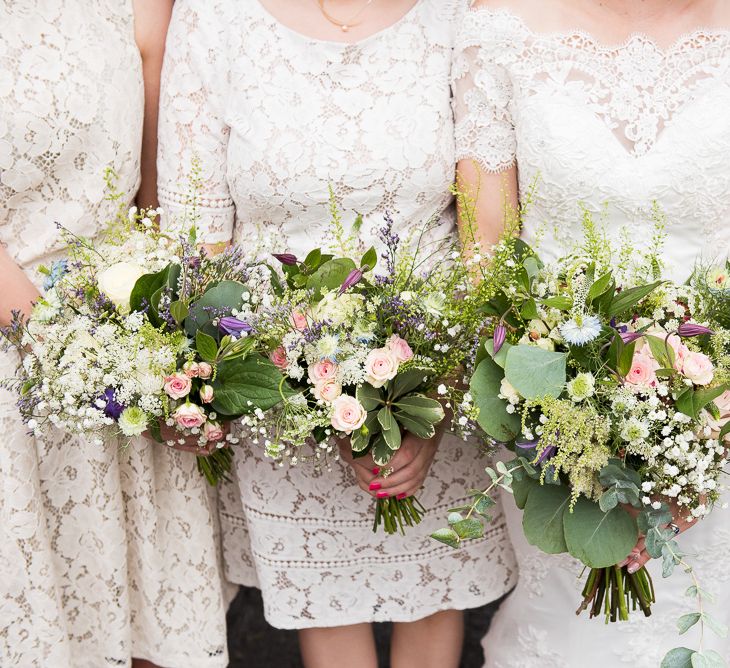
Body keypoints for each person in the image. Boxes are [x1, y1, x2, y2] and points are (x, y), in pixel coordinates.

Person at [158, 1, 517, 666]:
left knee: (434, 598)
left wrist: (435, 396)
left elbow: (488, 232)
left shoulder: (459, 14)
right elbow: (195, 232)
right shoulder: (214, 17)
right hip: (277, 385)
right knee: (324, 608)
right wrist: (262, 378)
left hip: (437, 362)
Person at [454, 0, 730, 665]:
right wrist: (571, 436)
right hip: (556, 412)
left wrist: (706, 435)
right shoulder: (500, 29)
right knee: (575, 631)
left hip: (718, 405)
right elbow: (486, 256)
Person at [0, 2, 231, 666]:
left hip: (122, 355)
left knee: (144, 634)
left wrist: (173, 359)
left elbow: (155, 203)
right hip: (35, 371)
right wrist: (72, 353)